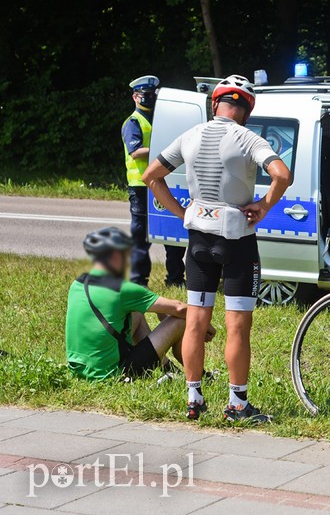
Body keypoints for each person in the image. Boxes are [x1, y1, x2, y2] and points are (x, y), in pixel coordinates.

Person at [142, 74, 291, 422]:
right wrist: (264, 205)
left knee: (195, 321)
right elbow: (282, 174)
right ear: (247, 110)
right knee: (238, 326)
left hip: (198, 239)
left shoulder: (191, 135)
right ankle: (237, 405)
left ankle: (194, 399)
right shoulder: (249, 138)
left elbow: (151, 174)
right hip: (237, 239)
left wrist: (181, 212)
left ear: (215, 104)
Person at [65, 227, 213, 381]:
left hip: (80, 371)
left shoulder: (78, 284)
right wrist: (205, 324)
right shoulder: (122, 289)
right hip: (113, 375)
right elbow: (179, 308)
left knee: (136, 313)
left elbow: (158, 307)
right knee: (181, 320)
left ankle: (168, 368)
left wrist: (161, 312)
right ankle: (200, 376)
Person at [122, 75, 186, 287]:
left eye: (152, 95)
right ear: (135, 97)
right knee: (141, 238)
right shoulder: (132, 122)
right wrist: (164, 151)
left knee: (173, 232)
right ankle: (138, 282)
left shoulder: (161, 120)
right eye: (144, 95)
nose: (149, 98)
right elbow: (135, 152)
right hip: (141, 187)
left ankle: (175, 279)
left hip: (164, 183)